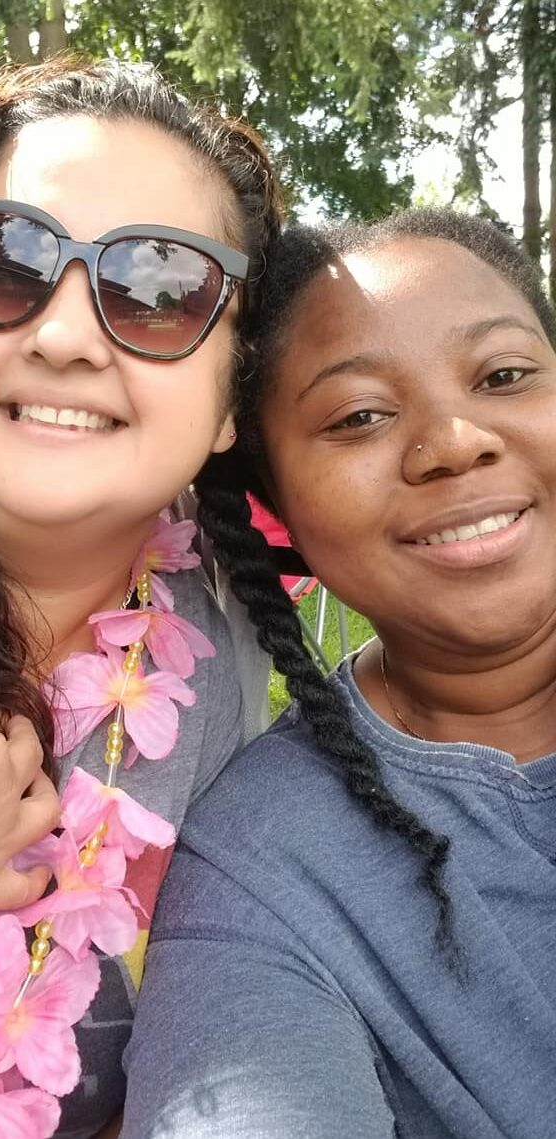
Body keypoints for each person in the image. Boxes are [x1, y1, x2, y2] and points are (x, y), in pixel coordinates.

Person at [124, 210, 556, 1139]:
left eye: (506, 376)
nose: (454, 440)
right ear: (278, 506)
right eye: (359, 415)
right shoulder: (258, 868)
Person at [0, 57, 280, 1138]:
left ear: (229, 401)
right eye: (1, 261)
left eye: (158, 287)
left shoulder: (237, 692)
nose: (66, 334)